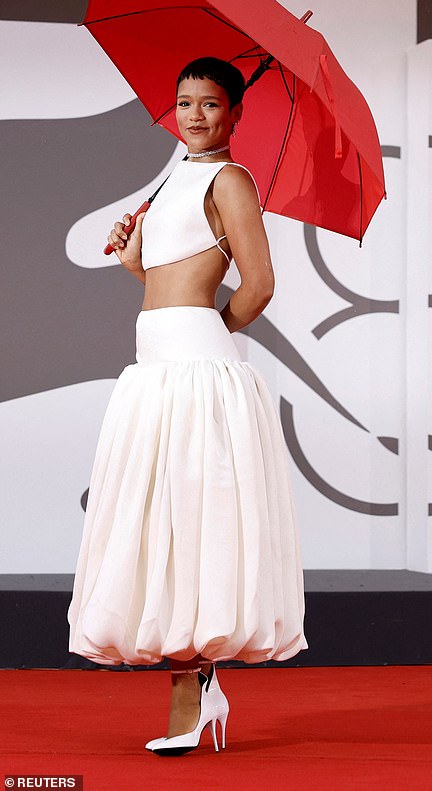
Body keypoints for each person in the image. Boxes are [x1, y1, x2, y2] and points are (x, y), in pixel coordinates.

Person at [67, 57, 308, 756]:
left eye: (209, 103)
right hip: (155, 365)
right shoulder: (176, 175)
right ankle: (198, 690)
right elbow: (165, 279)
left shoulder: (230, 179)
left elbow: (257, 284)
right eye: (185, 102)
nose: (195, 114)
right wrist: (135, 258)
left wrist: (208, 329)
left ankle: (193, 693)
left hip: (196, 368)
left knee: (194, 522)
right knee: (163, 523)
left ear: (235, 112)